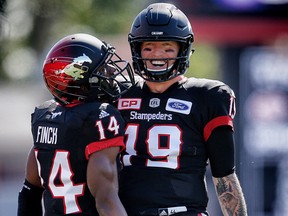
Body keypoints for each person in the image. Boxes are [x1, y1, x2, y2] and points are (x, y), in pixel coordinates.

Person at [116, 3, 248, 216]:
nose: (157, 55)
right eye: (148, 47)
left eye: (168, 48)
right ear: (137, 49)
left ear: (182, 50)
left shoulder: (207, 96)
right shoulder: (118, 94)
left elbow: (224, 177)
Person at [17, 33, 134, 216]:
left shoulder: (44, 115)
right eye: (102, 69)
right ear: (80, 81)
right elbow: (106, 202)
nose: (111, 71)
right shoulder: (99, 117)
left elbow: (29, 192)